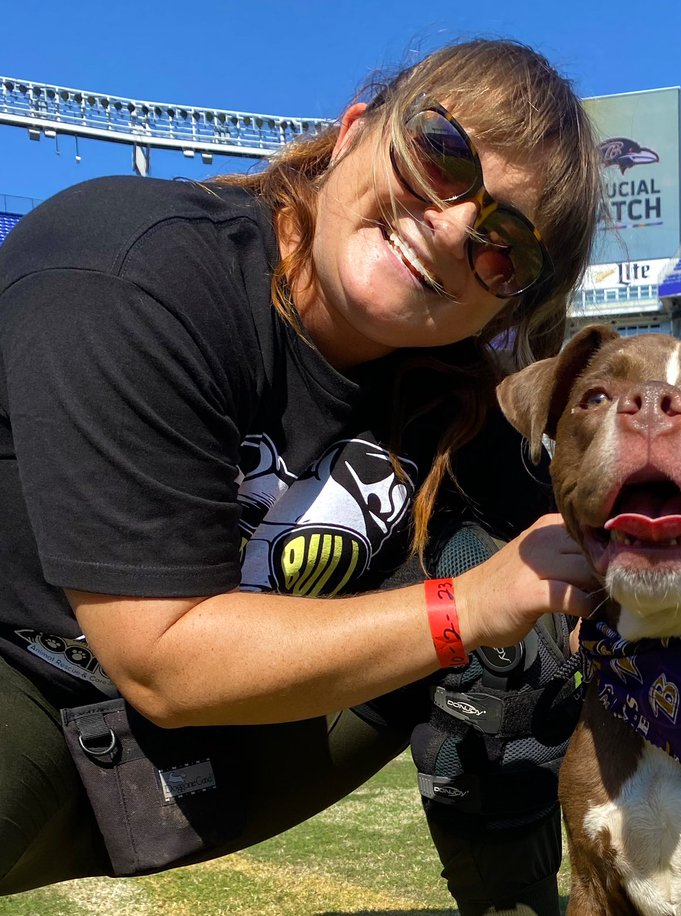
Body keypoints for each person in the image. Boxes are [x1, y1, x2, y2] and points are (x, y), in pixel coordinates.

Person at [0, 38, 603, 914]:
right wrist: (468, 605)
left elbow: (601, 565)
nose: (449, 225)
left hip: (201, 741)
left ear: (506, 303)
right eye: (442, 156)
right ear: (353, 132)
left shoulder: (455, 397)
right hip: (28, 676)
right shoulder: (132, 269)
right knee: (488, 595)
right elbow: (163, 659)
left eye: (504, 246)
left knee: (527, 616)